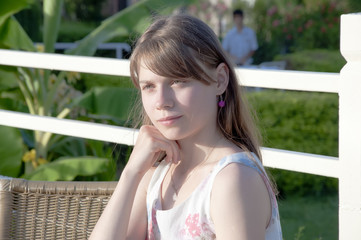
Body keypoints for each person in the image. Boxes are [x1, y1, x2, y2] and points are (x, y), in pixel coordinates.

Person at [89, 14, 282, 240]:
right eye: (149, 86)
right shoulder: (156, 176)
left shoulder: (233, 178)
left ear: (220, 80)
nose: (162, 101)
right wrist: (131, 173)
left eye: (178, 81)